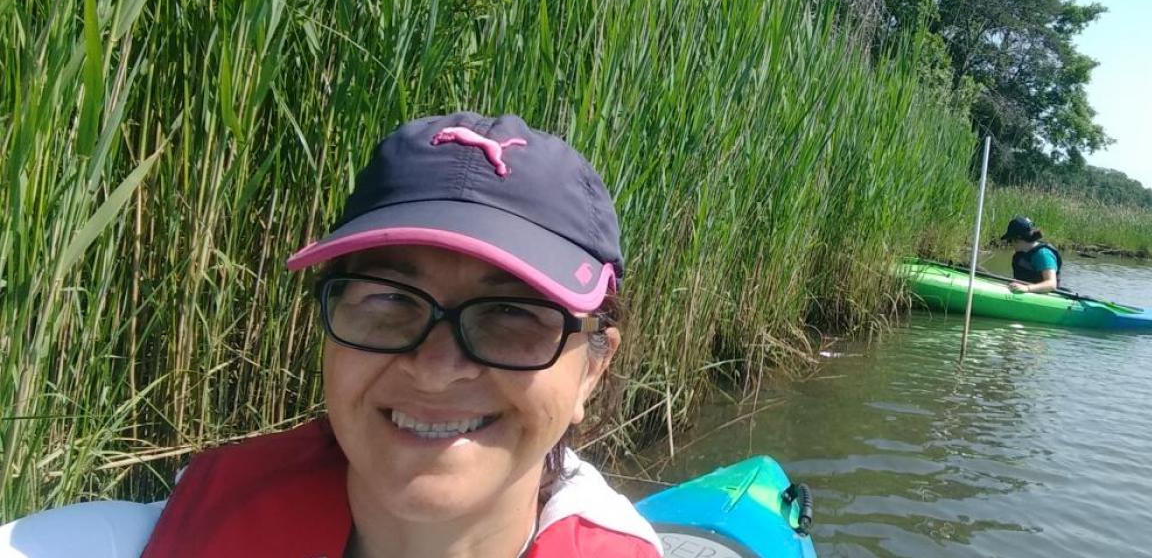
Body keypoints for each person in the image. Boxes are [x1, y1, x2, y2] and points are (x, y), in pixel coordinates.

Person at [0, 112, 664, 558]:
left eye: (513, 316)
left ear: (592, 367)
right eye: (389, 300)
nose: (435, 367)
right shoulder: (162, 536)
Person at [1000, 215, 1062, 294]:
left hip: (1047, 297)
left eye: (1009, 240)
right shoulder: (1021, 255)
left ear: (1017, 239)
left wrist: (1027, 288)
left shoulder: (1043, 254)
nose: (1010, 244)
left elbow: (1051, 284)